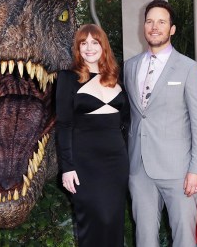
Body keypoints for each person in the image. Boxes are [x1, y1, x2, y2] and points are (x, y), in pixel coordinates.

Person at [123, 0, 197, 247]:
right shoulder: (130, 67)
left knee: (184, 237)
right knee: (145, 237)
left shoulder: (189, 69)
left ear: (172, 29)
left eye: (161, 22)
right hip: (139, 168)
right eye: (149, 21)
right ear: (143, 27)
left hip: (179, 170)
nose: (154, 27)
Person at [55, 24, 129, 247]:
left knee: (113, 220)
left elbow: (126, 122)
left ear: (103, 46)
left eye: (94, 42)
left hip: (116, 162)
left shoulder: (117, 76)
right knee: (93, 220)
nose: (89, 48)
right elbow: (64, 125)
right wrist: (67, 167)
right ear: (77, 48)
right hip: (85, 163)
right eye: (83, 43)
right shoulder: (68, 78)